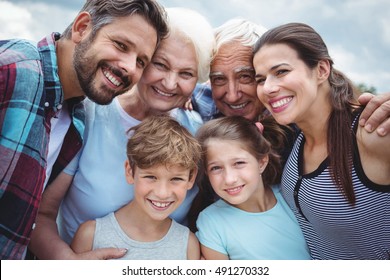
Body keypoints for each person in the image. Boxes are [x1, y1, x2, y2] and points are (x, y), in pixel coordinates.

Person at [28, 7, 215, 259]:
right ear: (142, 60)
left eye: (186, 73)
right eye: (160, 65)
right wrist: (69, 264)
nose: (170, 83)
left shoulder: (197, 131)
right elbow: (41, 214)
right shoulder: (89, 114)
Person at [0, 0, 168, 260]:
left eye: (141, 62)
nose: (129, 67)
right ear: (82, 27)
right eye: (121, 46)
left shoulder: (76, 118)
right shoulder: (14, 70)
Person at [253, 22, 390, 259]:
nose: (268, 88)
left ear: (322, 70)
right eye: (260, 79)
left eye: (281, 72)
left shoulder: (369, 131)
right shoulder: (294, 135)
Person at [191, 18, 390, 130]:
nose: (232, 95)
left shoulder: (296, 112)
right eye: (218, 79)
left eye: (246, 77)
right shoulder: (200, 101)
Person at [71, 115, 201, 260]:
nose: (162, 193)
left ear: (191, 178)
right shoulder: (91, 235)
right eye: (151, 177)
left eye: (176, 179)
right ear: (130, 171)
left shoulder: (188, 244)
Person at [194, 116, 310, 260]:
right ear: (206, 172)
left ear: (261, 162)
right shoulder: (211, 222)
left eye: (239, 163)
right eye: (216, 168)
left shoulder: (291, 197)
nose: (229, 179)